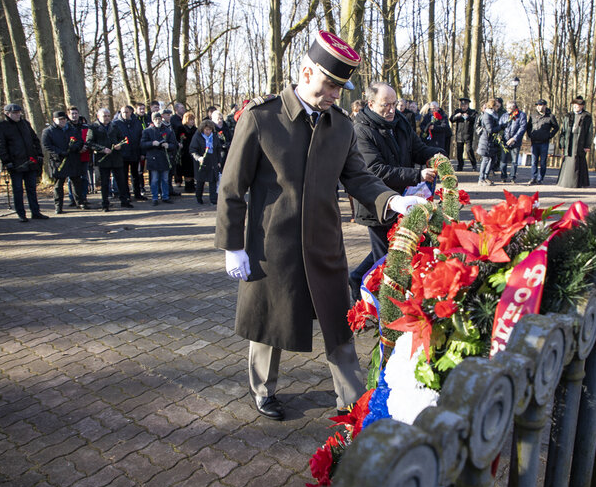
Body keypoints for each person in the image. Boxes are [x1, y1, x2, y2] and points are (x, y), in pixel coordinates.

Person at [215, 30, 426, 421]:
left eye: (341, 87)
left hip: (324, 243)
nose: (335, 94)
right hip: (272, 244)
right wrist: (233, 245)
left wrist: (392, 200)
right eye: (330, 84)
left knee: (338, 322)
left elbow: (359, 178)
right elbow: (232, 185)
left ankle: (352, 398)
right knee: (270, 322)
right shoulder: (262, 117)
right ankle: (263, 389)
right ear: (307, 71)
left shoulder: (341, 126)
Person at [348, 82, 444, 299]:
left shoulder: (399, 120)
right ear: (371, 104)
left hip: (403, 197)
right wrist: (417, 175)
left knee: (392, 249)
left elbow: (417, 148)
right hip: (377, 203)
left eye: (394, 104)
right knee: (389, 259)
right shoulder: (361, 130)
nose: (392, 110)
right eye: (385, 105)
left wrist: (437, 156)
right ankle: (385, 307)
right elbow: (376, 170)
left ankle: (356, 277)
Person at [0, 104, 48, 222]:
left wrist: (39, 154)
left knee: (32, 188)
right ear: (7, 114)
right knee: (18, 189)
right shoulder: (1, 126)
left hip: (30, 161)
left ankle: (35, 211)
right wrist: (6, 161)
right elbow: (0, 146)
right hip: (15, 163)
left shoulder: (25, 124)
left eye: (19, 112)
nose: (18, 114)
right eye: (15, 113)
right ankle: (21, 213)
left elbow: (35, 139)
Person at [42, 110, 86, 213]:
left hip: (73, 159)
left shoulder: (72, 129)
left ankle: (79, 202)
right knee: (58, 185)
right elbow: (47, 145)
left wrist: (74, 147)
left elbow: (80, 141)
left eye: (64, 119)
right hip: (58, 161)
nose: (63, 121)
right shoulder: (48, 131)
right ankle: (58, 206)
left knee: (76, 182)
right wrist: (60, 152)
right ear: (54, 120)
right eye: (60, 119)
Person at [88, 108, 131, 211]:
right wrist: (102, 149)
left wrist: (120, 145)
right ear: (98, 117)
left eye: (108, 116)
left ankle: (124, 201)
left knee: (121, 180)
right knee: (104, 183)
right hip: (104, 159)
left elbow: (122, 139)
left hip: (116, 157)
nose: (107, 118)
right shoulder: (94, 127)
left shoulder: (114, 126)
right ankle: (105, 204)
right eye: (104, 116)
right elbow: (89, 142)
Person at [111, 105, 146, 201]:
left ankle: (137, 193)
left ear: (131, 112)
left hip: (135, 153)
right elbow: (113, 138)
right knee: (124, 176)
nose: (125, 114)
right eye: (123, 112)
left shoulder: (137, 123)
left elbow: (141, 138)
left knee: (136, 175)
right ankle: (126, 195)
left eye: (127, 112)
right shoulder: (116, 123)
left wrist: (142, 152)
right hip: (122, 154)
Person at [141, 112, 177, 206]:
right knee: (154, 180)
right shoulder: (147, 131)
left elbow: (174, 144)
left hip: (165, 158)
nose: (158, 121)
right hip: (153, 159)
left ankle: (165, 196)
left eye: (159, 119)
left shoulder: (167, 131)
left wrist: (168, 145)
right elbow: (142, 144)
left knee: (165, 179)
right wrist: (152, 143)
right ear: (153, 120)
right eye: (156, 119)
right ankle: (154, 197)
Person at [557, 96, 593, 188]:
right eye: (575, 105)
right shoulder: (568, 116)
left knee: (578, 160)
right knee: (568, 159)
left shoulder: (587, 117)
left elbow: (589, 132)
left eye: (579, 105)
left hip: (580, 141)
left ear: (582, 106)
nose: (577, 106)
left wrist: (587, 145)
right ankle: (565, 181)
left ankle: (578, 182)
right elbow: (563, 130)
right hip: (569, 140)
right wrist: (562, 143)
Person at [525, 99, 559, 185]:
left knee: (543, 161)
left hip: (544, 142)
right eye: (538, 105)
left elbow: (556, 127)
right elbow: (528, 127)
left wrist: (550, 135)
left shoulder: (550, 116)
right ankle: (533, 177)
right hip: (534, 141)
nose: (540, 107)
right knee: (534, 161)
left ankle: (540, 178)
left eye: (541, 105)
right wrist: (530, 135)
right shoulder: (533, 116)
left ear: (545, 106)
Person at [190, 119, 222, 205]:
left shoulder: (214, 136)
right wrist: (198, 158)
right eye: (206, 130)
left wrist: (219, 161)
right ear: (202, 129)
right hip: (202, 161)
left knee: (213, 180)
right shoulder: (197, 137)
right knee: (200, 181)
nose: (208, 131)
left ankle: (213, 199)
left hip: (213, 160)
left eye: (210, 130)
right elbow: (193, 150)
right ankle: (199, 197)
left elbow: (218, 149)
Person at [497, 100, 527, 183]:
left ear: (514, 107)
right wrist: (499, 135)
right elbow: (500, 126)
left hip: (515, 142)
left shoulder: (521, 115)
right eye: (507, 107)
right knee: (503, 160)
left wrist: (514, 138)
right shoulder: (504, 116)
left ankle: (512, 177)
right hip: (505, 141)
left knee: (514, 161)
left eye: (509, 107)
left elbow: (522, 128)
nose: (507, 109)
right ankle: (503, 176)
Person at [476, 99, 502, 185]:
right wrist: (501, 127)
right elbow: (490, 129)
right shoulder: (487, 115)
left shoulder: (493, 115)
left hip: (491, 141)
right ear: (493, 106)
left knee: (493, 158)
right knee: (486, 159)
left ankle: (486, 176)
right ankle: (481, 178)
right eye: (497, 106)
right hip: (486, 140)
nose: (498, 108)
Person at [450, 97, 479, 171]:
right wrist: (456, 116)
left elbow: (474, 119)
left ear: (468, 105)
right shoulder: (457, 111)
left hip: (468, 134)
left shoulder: (472, 112)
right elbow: (451, 119)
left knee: (469, 150)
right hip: (459, 134)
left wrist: (468, 117)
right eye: (462, 105)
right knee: (459, 152)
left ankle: (474, 164)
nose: (463, 107)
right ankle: (460, 165)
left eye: (465, 105)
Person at [176, 111, 198, 193]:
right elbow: (177, 138)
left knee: (192, 169)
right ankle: (188, 186)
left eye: (193, 119)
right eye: (190, 120)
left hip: (193, 151)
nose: (192, 121)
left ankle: (192, 185)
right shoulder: (181, 128)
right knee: (186, 170)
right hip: (184, 152)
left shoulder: (196, 129)